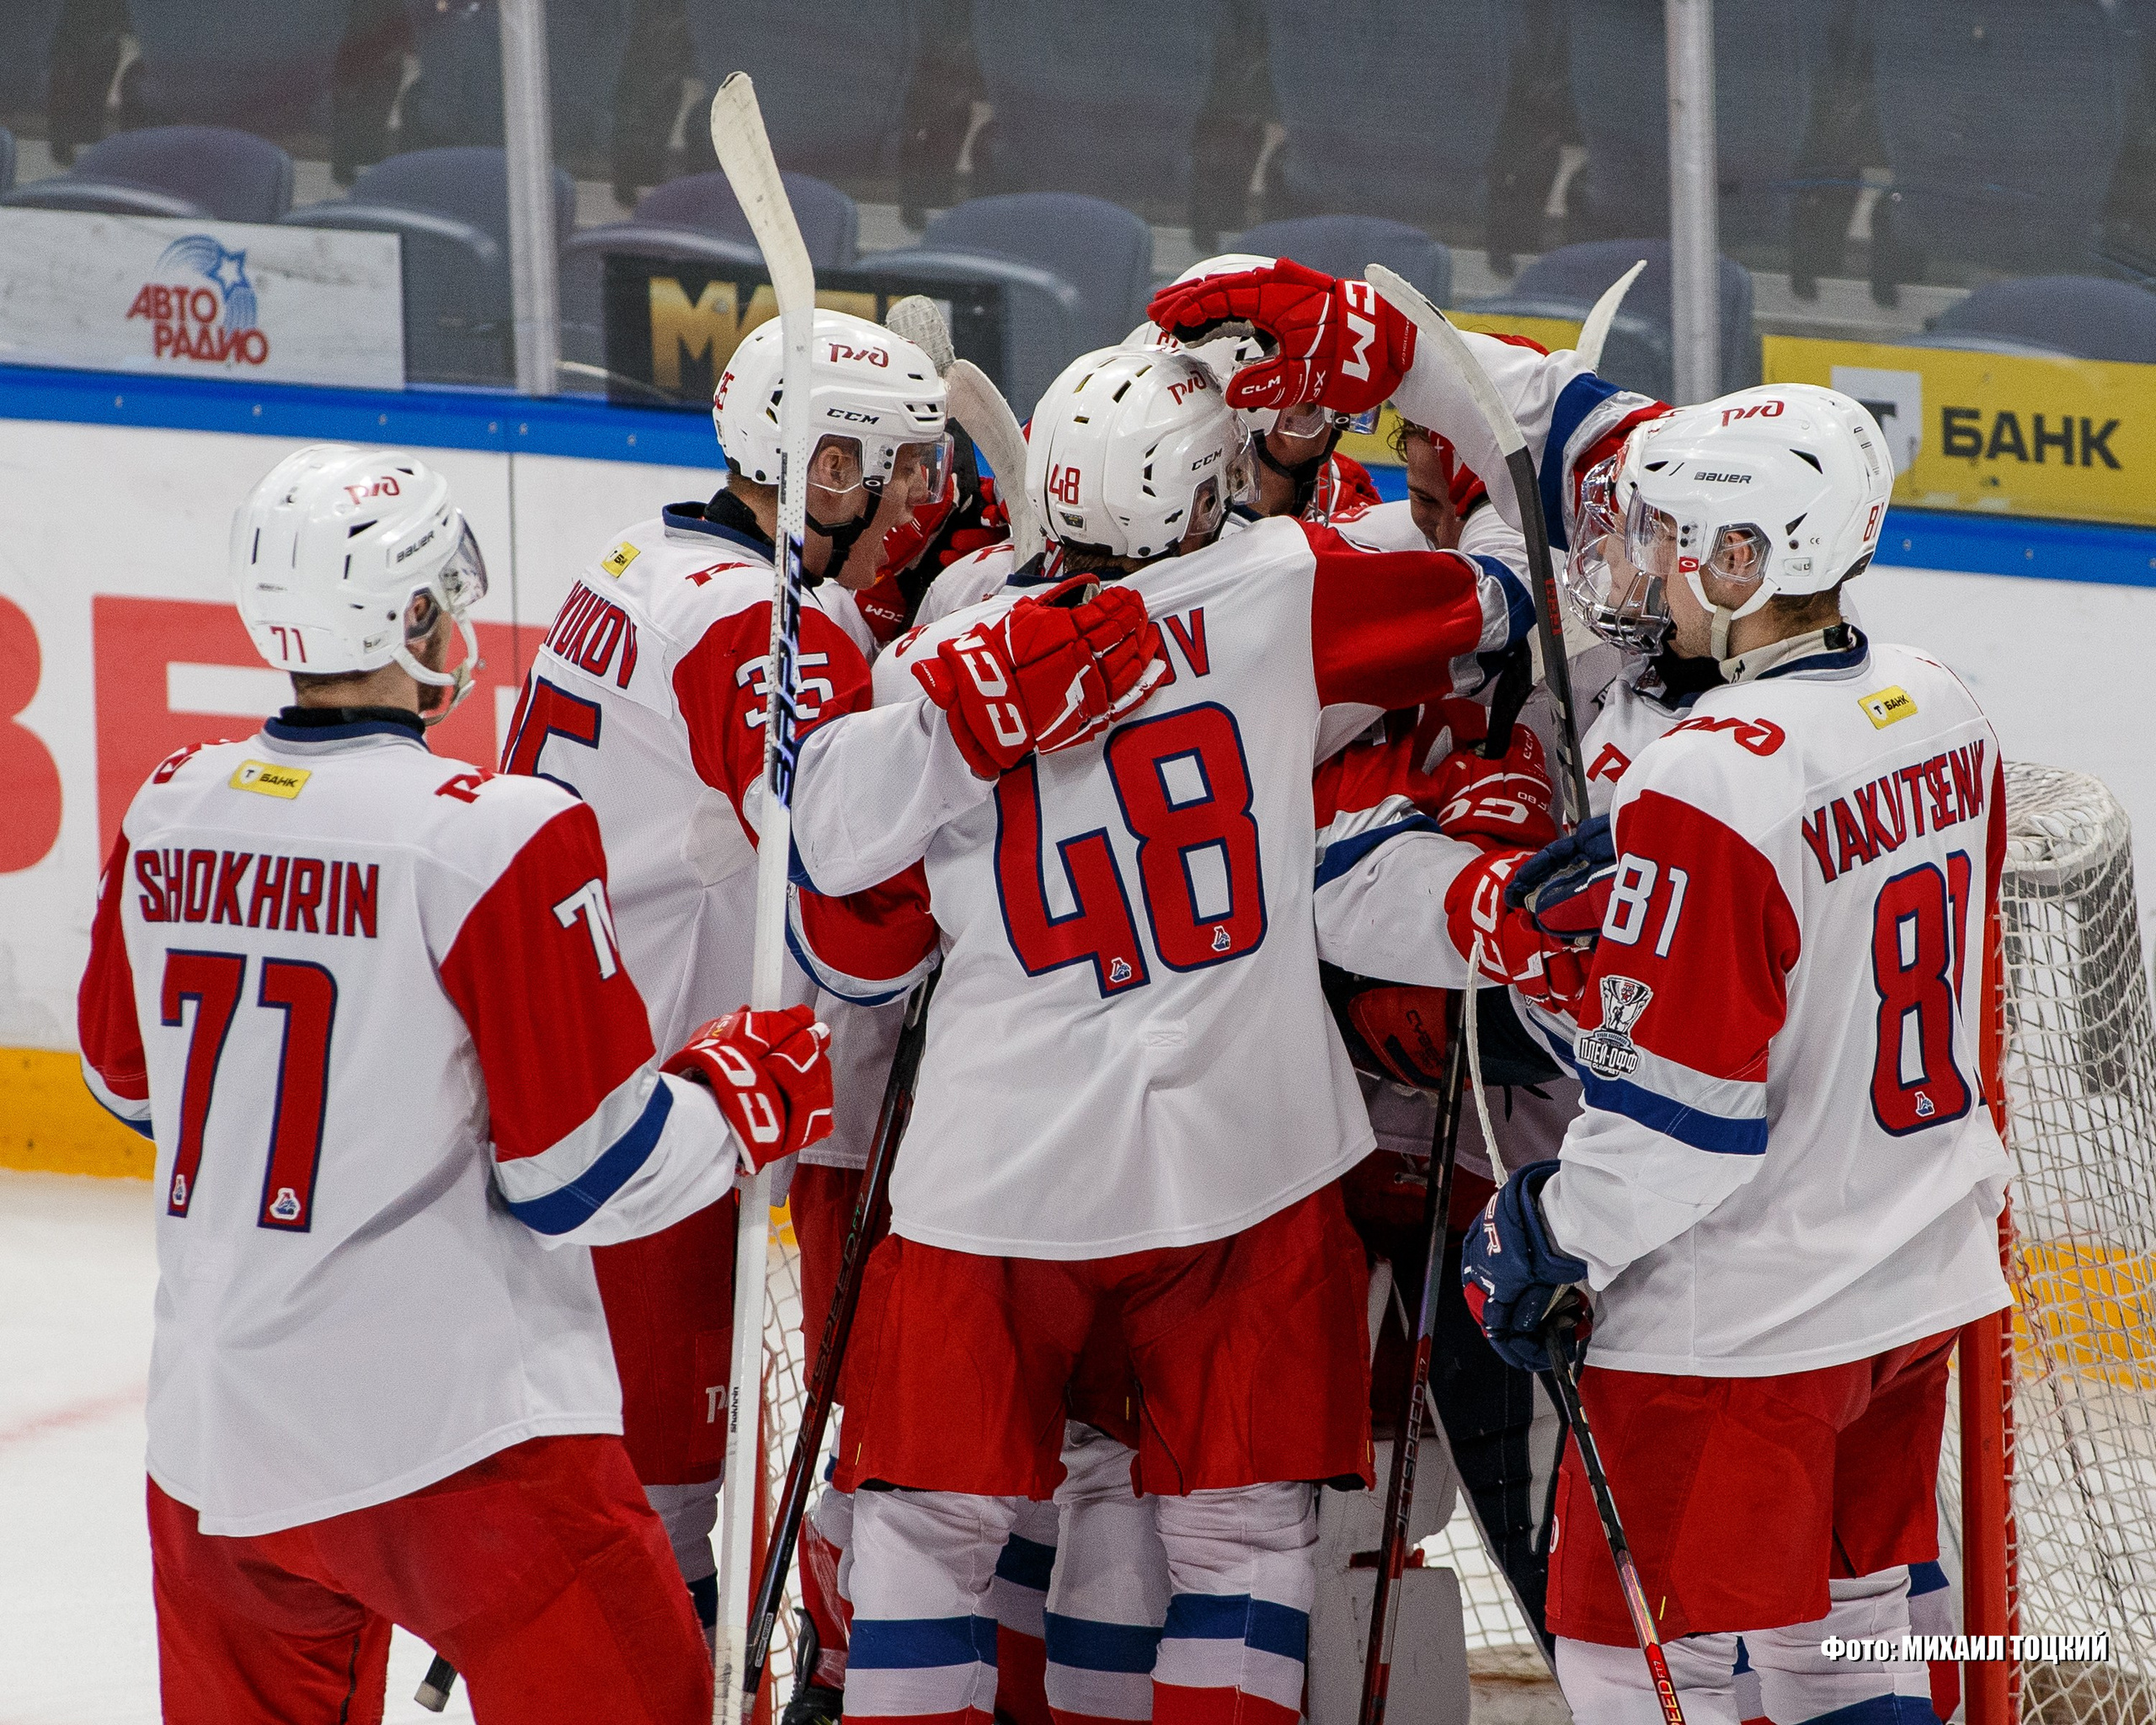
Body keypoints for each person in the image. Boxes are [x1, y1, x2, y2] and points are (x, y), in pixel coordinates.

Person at [781, 343, 1498, 1725]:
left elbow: (830, 849)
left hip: (996, 1176)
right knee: (1242, 1545)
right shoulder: (1282, 589)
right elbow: (1501, 600)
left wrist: (948, 721)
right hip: (1244, 1163)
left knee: (927, 1538)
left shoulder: (954, 638)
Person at [77, 444, 837, 1724]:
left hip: (215, 1444)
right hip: (459, 1446)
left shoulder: (169, 806)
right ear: (416, 615)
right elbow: (586, 1175)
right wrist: (738, 1086)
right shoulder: (493, 829)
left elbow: (126, 1081)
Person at [500, 307, 954, 1641]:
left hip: (551, 1091)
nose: (920, 504)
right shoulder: (761, 634)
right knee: (653, 1527)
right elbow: (858, 939)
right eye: (899, 468)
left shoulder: (648, 561)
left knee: (573, 1504)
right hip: (636, 1129)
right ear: (822, 472)